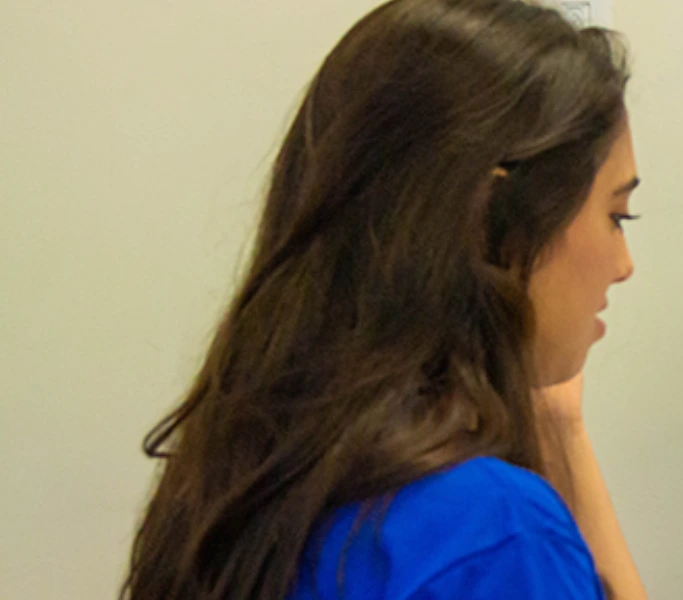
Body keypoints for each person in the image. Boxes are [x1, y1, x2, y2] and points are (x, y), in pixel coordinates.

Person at [123, 1, 647, 598]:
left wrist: (560, 422)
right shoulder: (494, 532)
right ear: (495, 219)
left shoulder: (232, 478)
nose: (623, 266)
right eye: (616, 216)